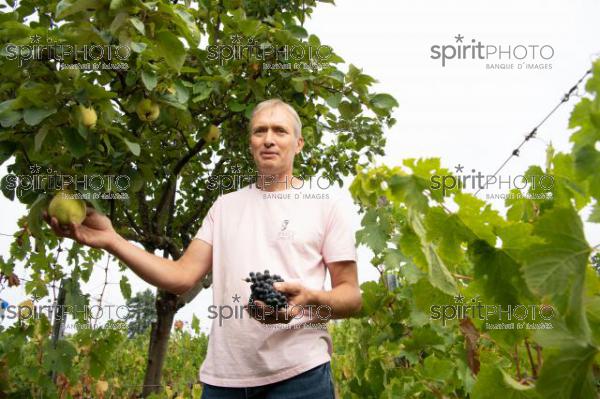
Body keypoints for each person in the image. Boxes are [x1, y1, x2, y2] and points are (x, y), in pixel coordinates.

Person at [44, 98, 362, 398]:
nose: (268, 139)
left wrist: (311, 300)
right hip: (225, 381)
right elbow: (182, 275)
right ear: (250, 143)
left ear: (299, 144)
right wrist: (112, 240)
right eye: (259, 131)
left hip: (300, 376)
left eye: (280, 131)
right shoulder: (225, 207)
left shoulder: (326, 204)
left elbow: (350, 297)